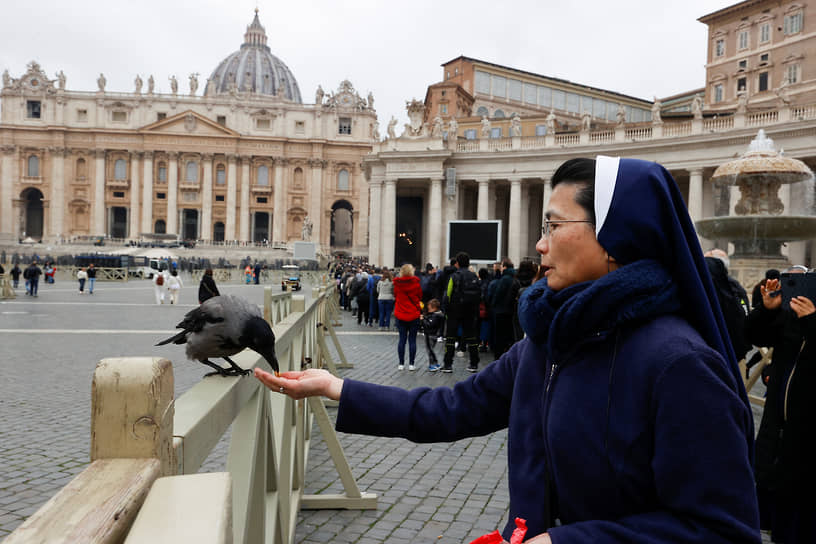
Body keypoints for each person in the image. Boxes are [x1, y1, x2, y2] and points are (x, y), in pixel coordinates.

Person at [255, 156, 759, 543]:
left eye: (554, 227)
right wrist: (336, 387)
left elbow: (720, 530)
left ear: (613, 240)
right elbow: (449, 408)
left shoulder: (680, 366)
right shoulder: (547, 342)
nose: (539, 245)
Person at [747, 266, 816, 543]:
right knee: (781, 523)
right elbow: (754, 335)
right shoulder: (792, 320)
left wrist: (812, 322)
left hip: (808, 440)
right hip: (779, 434)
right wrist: (768, 309)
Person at [442, 252, 481, 373]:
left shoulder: (454, 276)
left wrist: (446, 310)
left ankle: (448, 364)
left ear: (457, 263)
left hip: (455, 310)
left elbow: (447, 295)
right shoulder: (474, 276)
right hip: (470, 310)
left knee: (450, 338)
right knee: (471, 337)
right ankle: (474, 363)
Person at [392, 263, 422, 371]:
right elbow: (419, 296)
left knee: (402, 340)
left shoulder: (397, 284)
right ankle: (411, 364)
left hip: (400, 314)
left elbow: (395, 295)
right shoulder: (416, 284)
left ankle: (401, 363)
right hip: (413, 314)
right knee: (412, 340)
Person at [489, 258, 519, 359]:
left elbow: (497, 296)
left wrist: (493, 306)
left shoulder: (504, 279)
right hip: (510, 311)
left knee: (499, 338)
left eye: (502, 266)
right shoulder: (515, 278)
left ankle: (498, 358)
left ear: (505, 267)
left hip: (500, 312)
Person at [421, 298, 444, 372]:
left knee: (430, 350)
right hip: (434, 335)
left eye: (429, 308)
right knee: (431, 349)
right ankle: (436, 363)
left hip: (429, 335)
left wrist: (422, 320)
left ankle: (432, 364)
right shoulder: (438, 315)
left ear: (434, 308)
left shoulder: (435, 316)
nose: (428, 310)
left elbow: (429, 325)